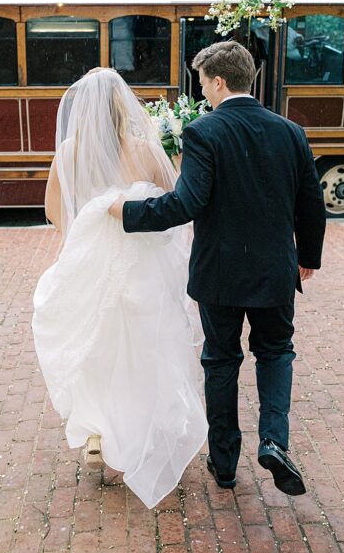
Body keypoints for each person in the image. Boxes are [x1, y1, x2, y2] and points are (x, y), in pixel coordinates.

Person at [109, 41, 326, 495]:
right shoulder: (291, 131)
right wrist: (307, 256)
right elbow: (311, 203)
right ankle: (274, 441)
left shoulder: (205, 132)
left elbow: (185, 204)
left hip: (220, 274)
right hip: (275, 270)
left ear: (220, 80)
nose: (202, 91)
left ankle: (224, 464)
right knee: (275, 352)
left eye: (203, 81)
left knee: (222, 361)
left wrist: (126, 212)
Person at [32, 67, 208, 509]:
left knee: (98, 346)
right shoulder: (147, 150)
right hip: (144, 265)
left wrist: (90, 225)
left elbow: (56, 214)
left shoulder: (68, 154)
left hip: (92, 263)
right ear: (123, 105)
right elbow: (175, 204)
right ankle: (139, 434)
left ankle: (97, 430)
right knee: (145, 348)